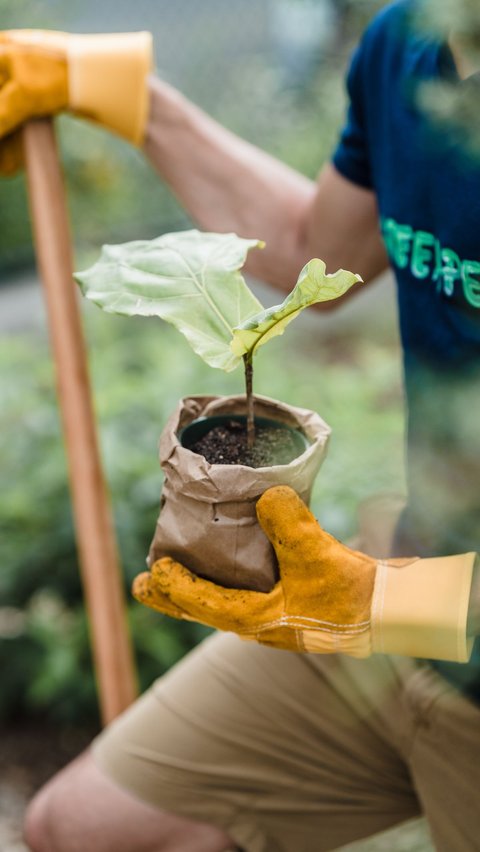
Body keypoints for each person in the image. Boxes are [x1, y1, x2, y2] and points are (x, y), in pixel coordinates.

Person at [1, 2, 480, 849]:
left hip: (425, 624)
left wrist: (381, 603)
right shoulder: (406, 46)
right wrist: (129, 94)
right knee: (85, 828)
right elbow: (312, 245)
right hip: (409, 607)